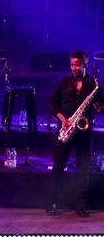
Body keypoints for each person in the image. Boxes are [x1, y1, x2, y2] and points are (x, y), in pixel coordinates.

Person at [47, 50, 103, 218]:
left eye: (77, 65)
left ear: (85, 65)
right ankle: (52, 203)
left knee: (83, 170)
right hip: (66, 128)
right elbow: (53, 104)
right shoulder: (64, 83)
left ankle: (81, 206)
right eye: (72, 65)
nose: (73, 68)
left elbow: (101, 105)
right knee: (58, 167)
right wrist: (63, 119)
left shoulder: (93, 85)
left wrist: (99, 106)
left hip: (84, 132)